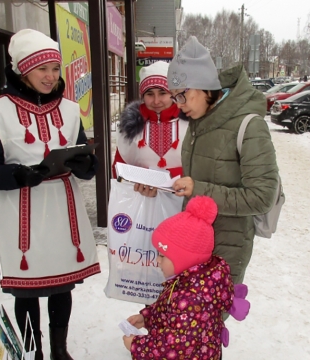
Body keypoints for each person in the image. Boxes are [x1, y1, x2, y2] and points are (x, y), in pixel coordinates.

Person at [0, 29, 100, 360]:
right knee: (26, 290)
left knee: (61, 286)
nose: (50, 76)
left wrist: (86, 163)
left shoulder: (71, 110)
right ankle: (34, 353)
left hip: (61, 208)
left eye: (55, 69)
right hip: (20, 212)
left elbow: (80, 156)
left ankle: (59, 351)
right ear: (22, 70)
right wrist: (18, 174)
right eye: (42, 69)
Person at [168, 36, 279, 285]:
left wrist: (199, 190)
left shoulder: (249, 125)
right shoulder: (199, 121)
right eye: (174, 97)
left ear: (205, 86)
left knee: (203, 322)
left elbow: (262, 197)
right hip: (193, 242)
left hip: (226, 249)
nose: (178, 104)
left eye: (182, 95)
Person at [123, 196, 250, 359]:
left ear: (184, 260)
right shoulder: (186, 281)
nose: (157, 260)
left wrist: (137, 346)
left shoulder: (193, 298)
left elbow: (177, 348)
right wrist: (146, 317)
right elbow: (167, 310)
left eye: (163, 255)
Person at [112, 61, 187, 197]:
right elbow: (118, 170)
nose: (156, 101)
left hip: (183, 203)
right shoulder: (130, 128)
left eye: (162, 93)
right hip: (142, 205)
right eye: (150, 94)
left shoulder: (190, 124)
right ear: (142, 96)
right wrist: (138, 182)